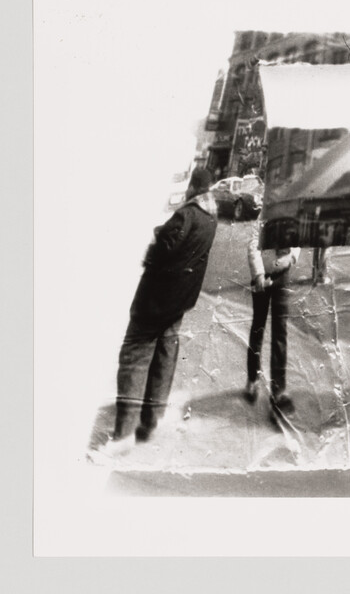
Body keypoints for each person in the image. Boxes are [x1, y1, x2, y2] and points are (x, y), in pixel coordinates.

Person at [102, 168, 218, 454]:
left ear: (192, 188)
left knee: (135, 358)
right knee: (165, 357)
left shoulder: (187, 215)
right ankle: (151, 422)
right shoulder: (210, 217)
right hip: (179, 301)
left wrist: (157, 234)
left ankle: (123, 435)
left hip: (156, 301)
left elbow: (166, 247)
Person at [245, 209, 301, 414]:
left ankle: (278, 390)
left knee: (280, 331)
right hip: (262, 276)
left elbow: (297, 240)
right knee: (258, 327)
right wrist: (259, 273)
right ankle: (252, 379)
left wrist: (291, 258)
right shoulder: (263, 215)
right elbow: (253, 245)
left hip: (282, 276)